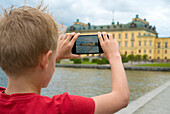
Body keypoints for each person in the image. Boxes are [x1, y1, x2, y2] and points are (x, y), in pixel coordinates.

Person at [0, 3, 129, 114]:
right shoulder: (61, 108)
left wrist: (52, 57)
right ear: (45, 59)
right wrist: (114, 56)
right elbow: (121, 98)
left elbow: (36, 69)